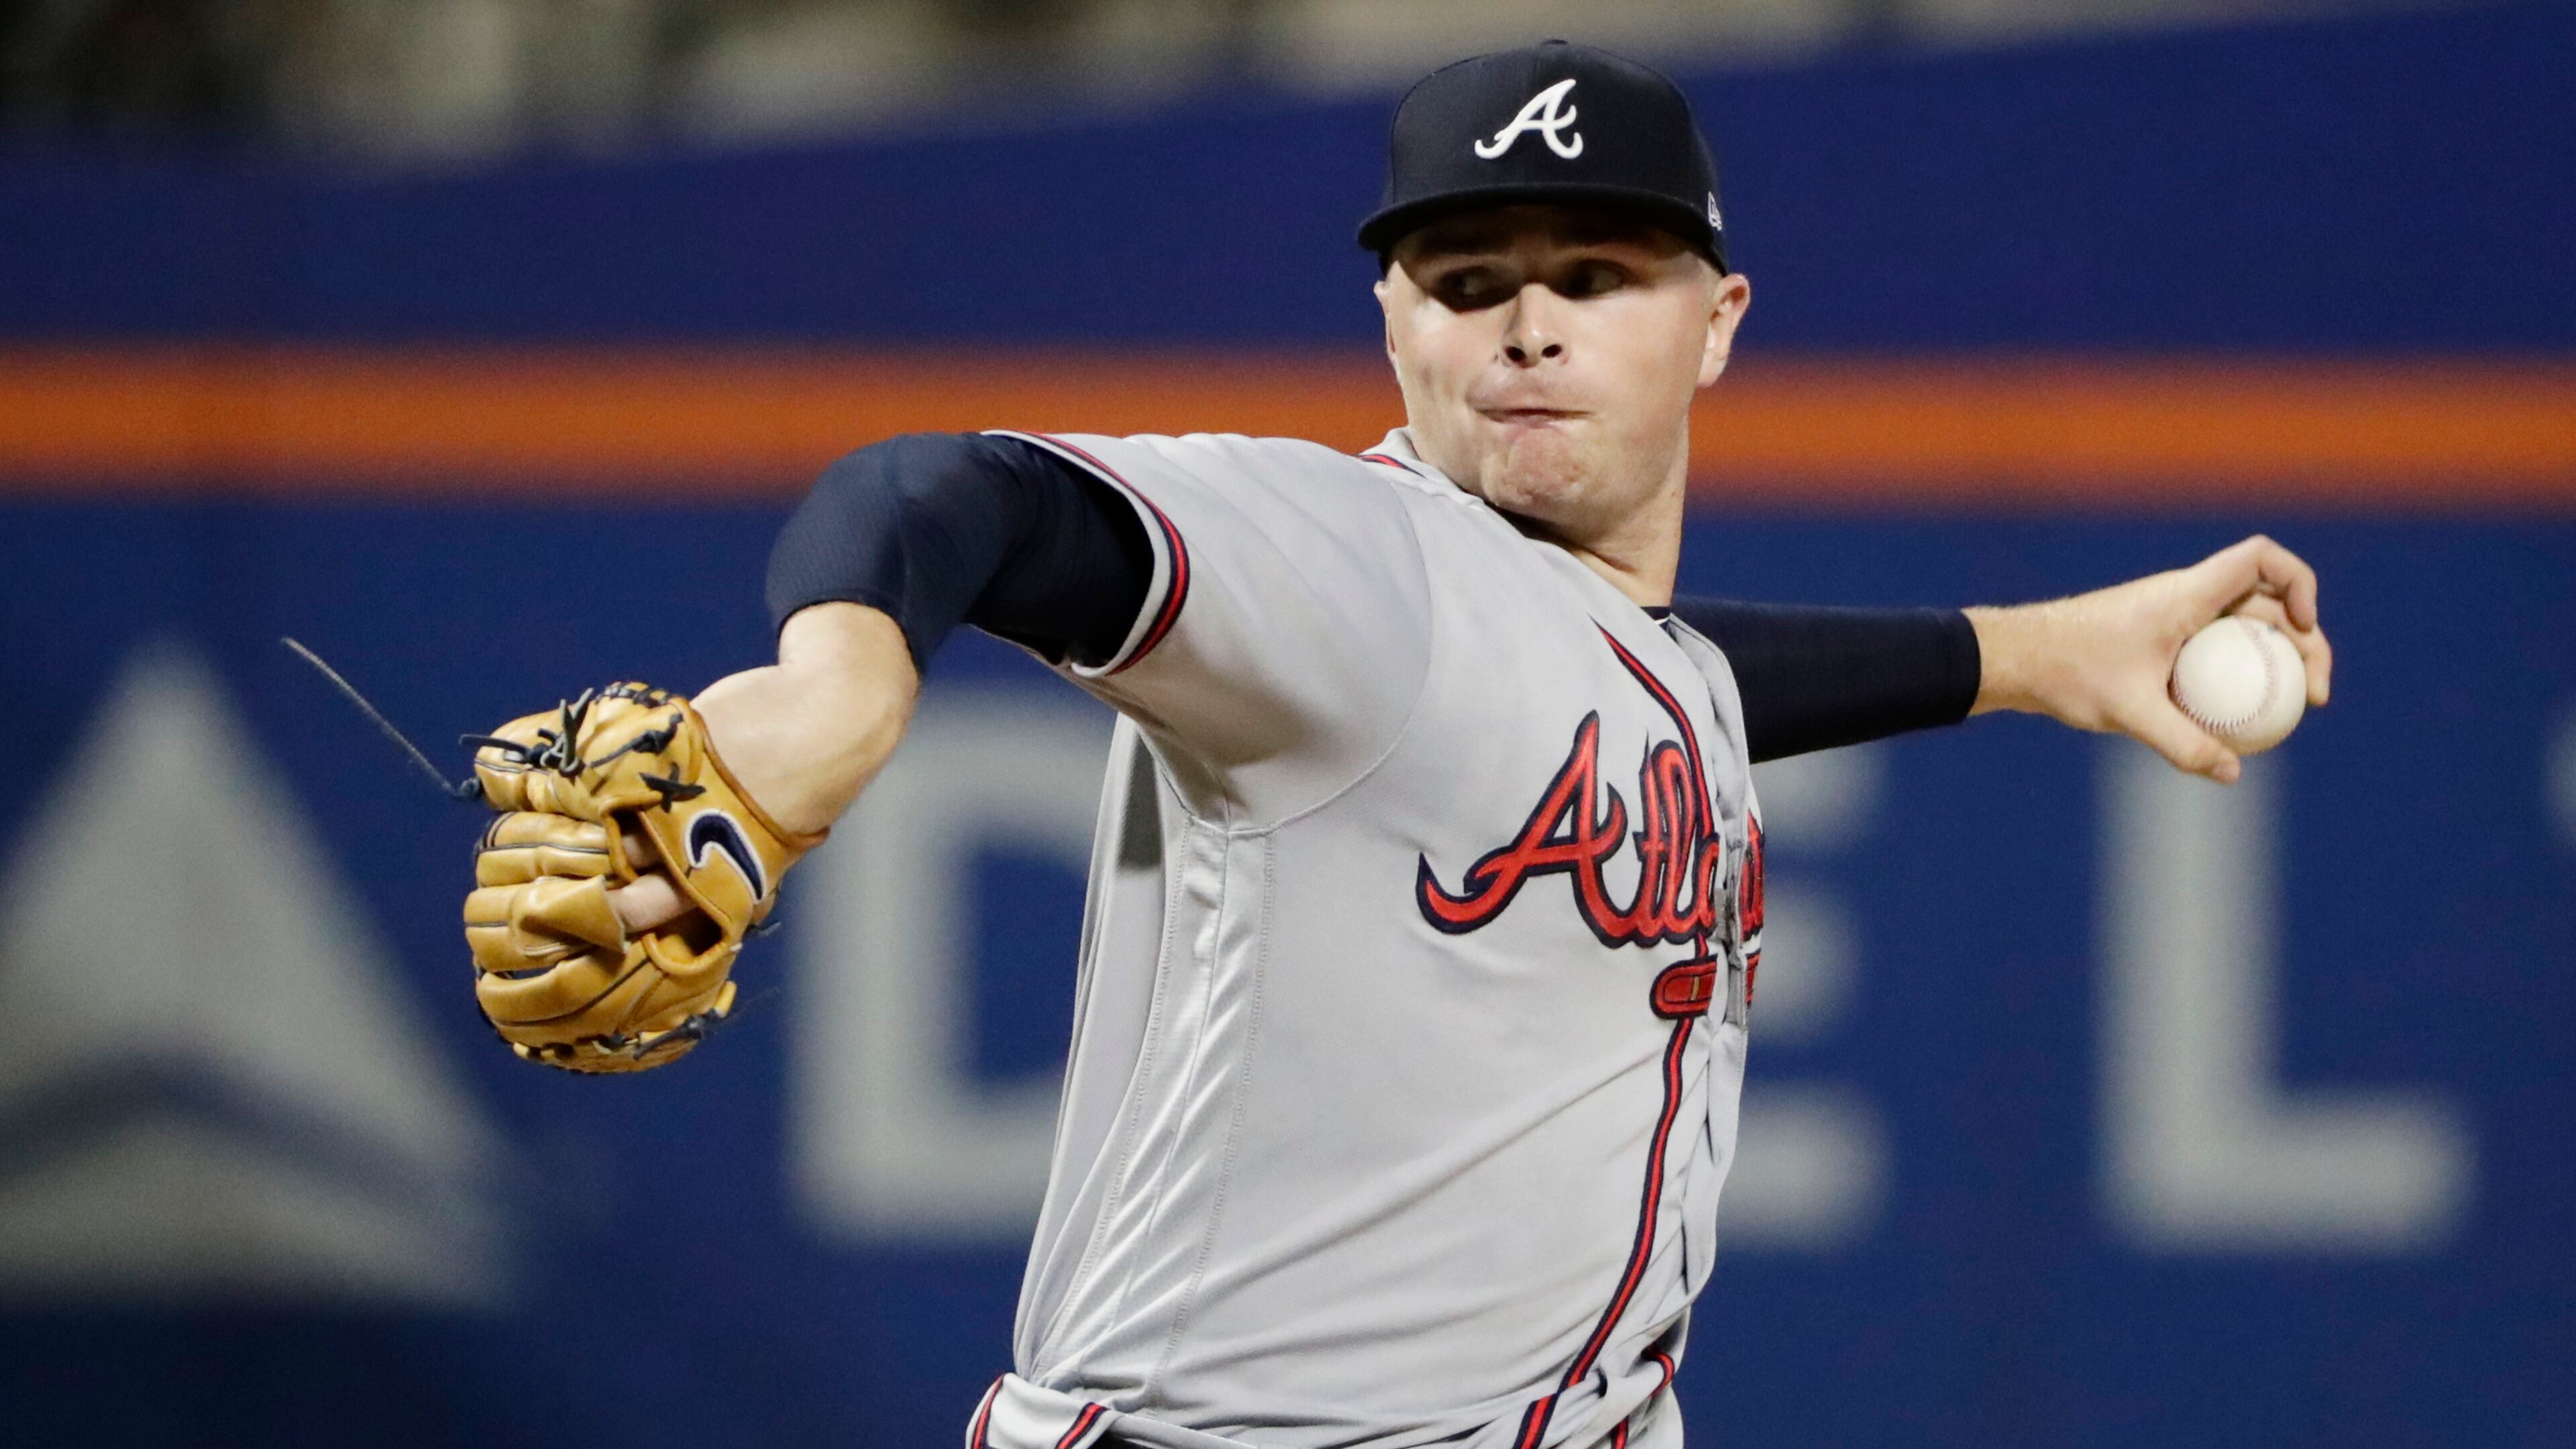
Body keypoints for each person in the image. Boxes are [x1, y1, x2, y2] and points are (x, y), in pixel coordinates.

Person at [596, 40, 2331, 1449]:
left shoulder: (1545, 639)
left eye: (1599, 272)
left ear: (1718, 321)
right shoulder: (1354, 565)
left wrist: (2030, 655)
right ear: (1393, 325)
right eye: (1466, 275)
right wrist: (844, 681)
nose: (1527, 321)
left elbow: (1640, 684)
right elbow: (944, 490)